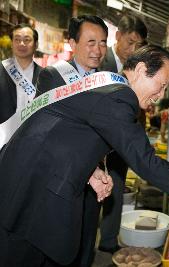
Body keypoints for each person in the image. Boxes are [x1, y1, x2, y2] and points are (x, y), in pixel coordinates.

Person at [0, 44, 169, 266]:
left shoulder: (105, 88)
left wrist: (92, 170)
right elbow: (145, 161)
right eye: (160, 85)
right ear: (141, 70)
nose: (160, 96)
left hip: (25, 182)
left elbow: (65, 132)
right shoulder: (120, 96)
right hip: (30, 193)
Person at [35, 15, 114, 266]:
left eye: (103, 43)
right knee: (58, 246)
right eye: (91, 42)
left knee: (86, 243)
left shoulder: (107, 81)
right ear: (72, 43)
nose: (98, 50)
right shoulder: (52, 76)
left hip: (94, 183)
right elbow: (47, 131)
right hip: (60, 179)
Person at [95, 15, 148, 254]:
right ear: (118, 36)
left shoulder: (137, 70)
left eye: (139, 45)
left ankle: (107, 242)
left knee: (116, 190)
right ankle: (85, 249)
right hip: (95, 143)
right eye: (130, 42)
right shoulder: (98, 60)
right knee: (91, 196)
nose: (133, 49)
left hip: (120, 144)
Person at [0, 23, 42, 123]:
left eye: (27, 40)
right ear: (11, 43)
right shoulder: (2, 69)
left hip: (32, 135)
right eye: (17, 39)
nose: (21, 44)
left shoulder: (45, 75)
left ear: (36, 44)